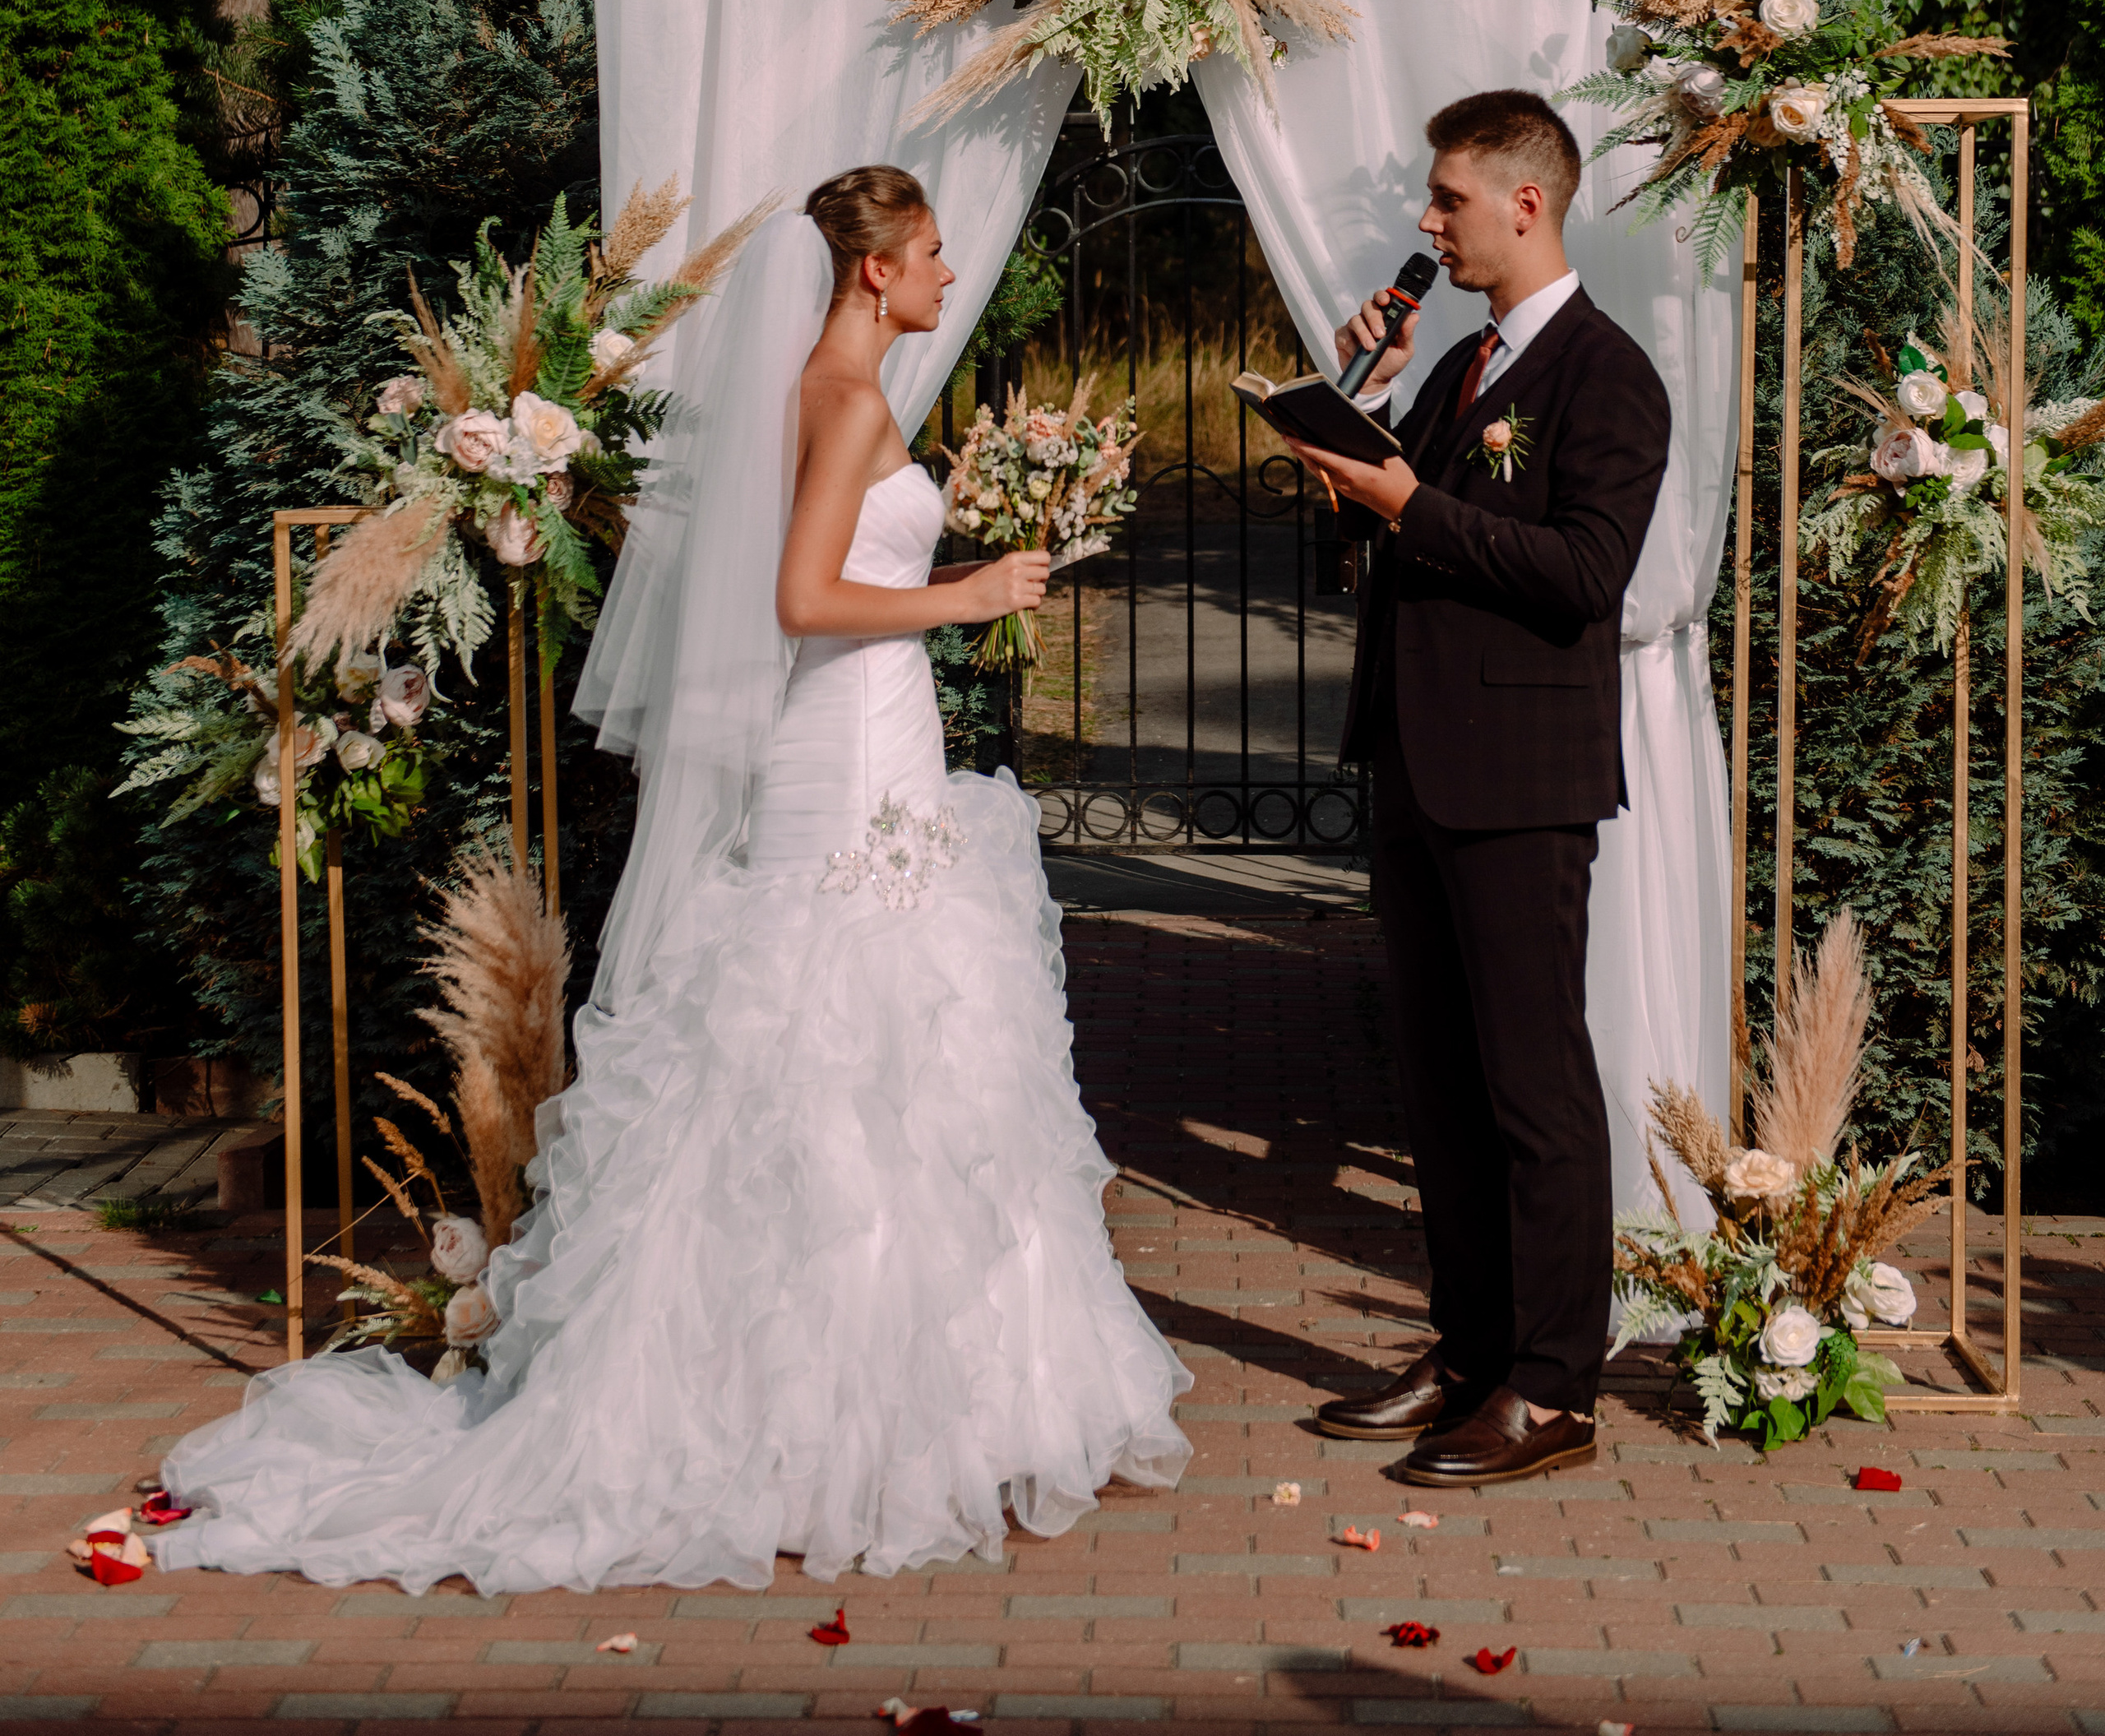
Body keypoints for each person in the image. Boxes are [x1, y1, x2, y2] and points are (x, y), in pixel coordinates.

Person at [153, 169, 1189, 1593]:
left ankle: (897, 1406)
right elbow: (805, 598)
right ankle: (838, 1425)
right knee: (854, 1045)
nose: (953, 274)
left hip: (879, 737)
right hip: (857, 745)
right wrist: (964, 592)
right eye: (937, 254)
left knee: (881, 1054)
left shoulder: (840, 384)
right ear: (875, 272)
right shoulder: (847, 396)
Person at [1278, 91, 1669, 1488]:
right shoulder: (1452, 370)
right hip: (1414, 756)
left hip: (1519, 773)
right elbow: (1402, 545)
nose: (1427, 223)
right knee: (1438, 1083)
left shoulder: (1607, 375)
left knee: (1532, 1084)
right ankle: (1469, 1349)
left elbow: (1581, 576)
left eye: (1448, 199)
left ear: (1528, 202)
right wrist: (1364, 417)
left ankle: (1555, 1384)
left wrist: (1403, 502)